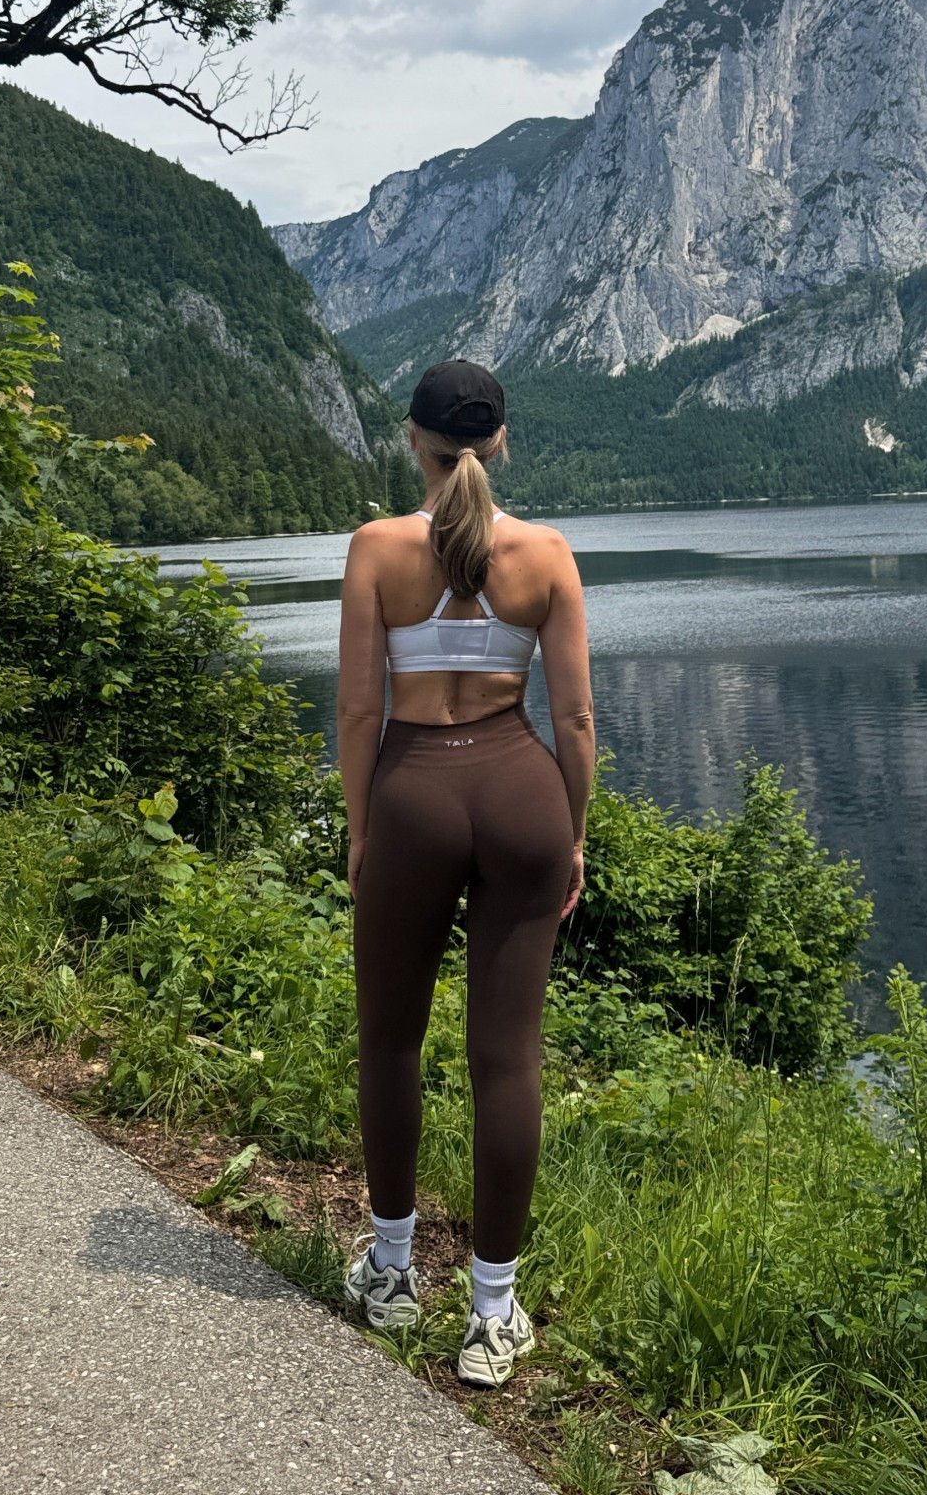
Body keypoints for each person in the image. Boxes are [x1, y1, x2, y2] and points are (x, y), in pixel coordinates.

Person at [336, 359, 595, 1387]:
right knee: (508, 1056)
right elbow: (572, 718)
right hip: (519, 788)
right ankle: (494, 1312)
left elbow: (360, 710)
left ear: (413, 443)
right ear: (501, 446)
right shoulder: (548, 556)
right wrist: (571, 832)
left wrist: (363, 827)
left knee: (392, 1038)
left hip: (413, 797)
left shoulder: (377, 549)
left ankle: (393, 1273)